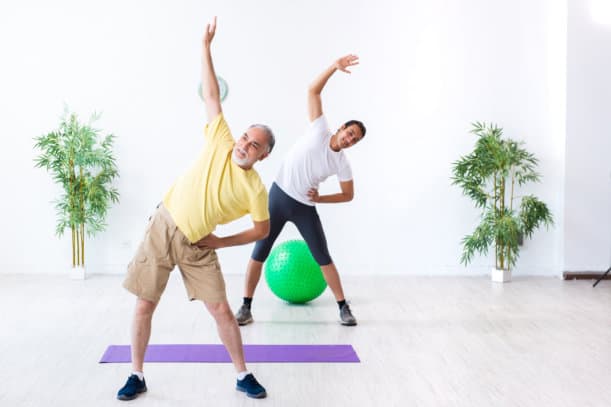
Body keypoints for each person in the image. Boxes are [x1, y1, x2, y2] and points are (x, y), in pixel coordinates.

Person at [117, 17, 273, 401]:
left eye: (254, 145)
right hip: (163, 225)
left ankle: (243, 375)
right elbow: (211, 97)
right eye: (245, 137)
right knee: (144, 304)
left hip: (199, 245)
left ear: (263, 155)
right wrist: (205, 46)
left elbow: (261, 231)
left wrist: (219, 242)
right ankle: (136, 375)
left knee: (220, 309)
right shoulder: (221, 140)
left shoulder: (255, 188)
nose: (244, 145)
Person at [235, 54, 366, 327]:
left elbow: (348, 195)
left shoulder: (342, 163)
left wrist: (321, 198)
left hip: (304, 207)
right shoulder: (319, 129)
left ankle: (343, 307)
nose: (349, 139)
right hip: (279, 197)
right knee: (260, 251)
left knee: (323, 256)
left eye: (354, 139)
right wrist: (333, 67)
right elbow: (312, 90)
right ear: (342, 128)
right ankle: (245, 307)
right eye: (349, 132)